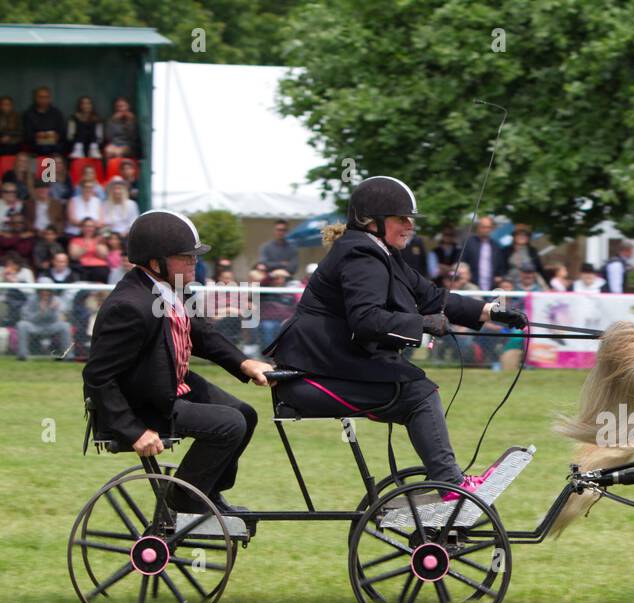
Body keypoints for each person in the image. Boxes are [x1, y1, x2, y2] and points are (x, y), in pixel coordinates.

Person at [264, 176, 527, 499]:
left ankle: (449, 482)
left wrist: (491, 312)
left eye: (410, 219)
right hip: (309, 378)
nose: (409, 225)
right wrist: (424, 324)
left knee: (416, 388)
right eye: (401, 218)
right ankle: (451, 484)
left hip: (329, 367)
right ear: (371, 221)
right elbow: (367, 320)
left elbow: (433, 297)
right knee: (417, 392)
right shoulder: (360, 254)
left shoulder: (383, 253)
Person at [82, 210, 274, 512]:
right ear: (156, 261)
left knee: (244, 414)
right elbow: (98, 376)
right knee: (229, 425)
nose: (194, 263)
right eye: (186, 257)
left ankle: (208, 494)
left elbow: (200, 334)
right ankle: (183, 499)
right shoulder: (130, 306)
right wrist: (134, 431)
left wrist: (244, 363)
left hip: (171, 384)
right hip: (145, 403)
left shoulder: (167, 291)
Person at [15, 276, 73, 361]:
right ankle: (22, 355)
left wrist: (54, 310)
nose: (45, 292)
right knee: (21, 325)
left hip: (51, 325)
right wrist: (40, 312)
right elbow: (26, 317)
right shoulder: (32, 300)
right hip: (35, 326)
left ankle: (68, 356)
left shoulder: (56, 300)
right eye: (42, 290)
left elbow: (62, 318)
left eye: (48, 290)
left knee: (65, 326)